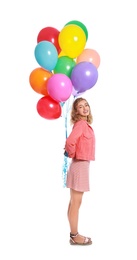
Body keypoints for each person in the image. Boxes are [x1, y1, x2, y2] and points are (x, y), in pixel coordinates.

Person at [64, 97, 95, 246]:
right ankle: (75, 236)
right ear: (76, 111)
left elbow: (72, 143)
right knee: (76, 203)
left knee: (74, 202)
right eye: (81, 106)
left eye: (86, 105)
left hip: (80, 165)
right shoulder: (81, 124)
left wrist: (71, 153)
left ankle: (73, 234)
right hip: (80, 165)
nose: (85, 108)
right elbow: (70, 142)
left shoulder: (83, 124)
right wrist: (70, 153)